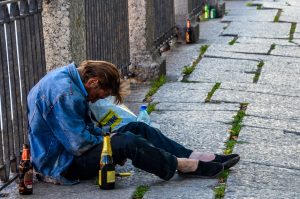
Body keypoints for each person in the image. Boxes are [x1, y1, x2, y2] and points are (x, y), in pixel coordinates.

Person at [27, 60, 240, 185]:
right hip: (61, 166)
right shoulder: (65, 93)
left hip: (68, 152)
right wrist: (112, 143)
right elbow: (79, 145)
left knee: (136, 127)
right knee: (126, 142)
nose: (96, 99)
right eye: (99, 95)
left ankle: (189, 154)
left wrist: (107, 136)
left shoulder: (67, 78)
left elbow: (83, 131)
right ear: (93, 81)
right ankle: (182, 165)